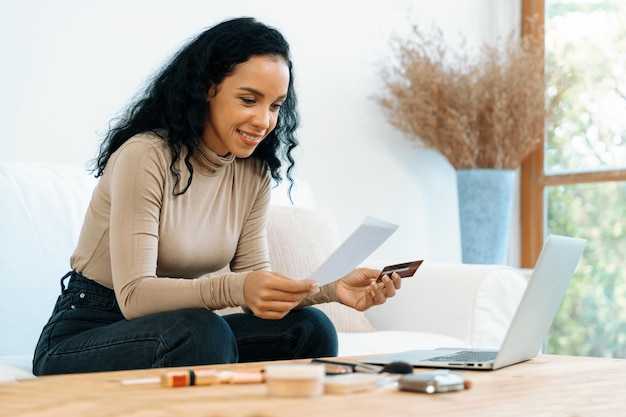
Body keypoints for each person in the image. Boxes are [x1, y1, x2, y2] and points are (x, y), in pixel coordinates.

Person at [32, 16, 402, 376]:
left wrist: (330, 291)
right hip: (89, 328)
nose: (264, 121)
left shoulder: (252, 172)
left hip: (178, 329)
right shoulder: (145, 156)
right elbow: (134, 296)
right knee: (203, 332)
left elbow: (255, 291)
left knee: (309, 328)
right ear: (208, 88)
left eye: (274, 105)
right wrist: (237, 286)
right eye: (248, 99)